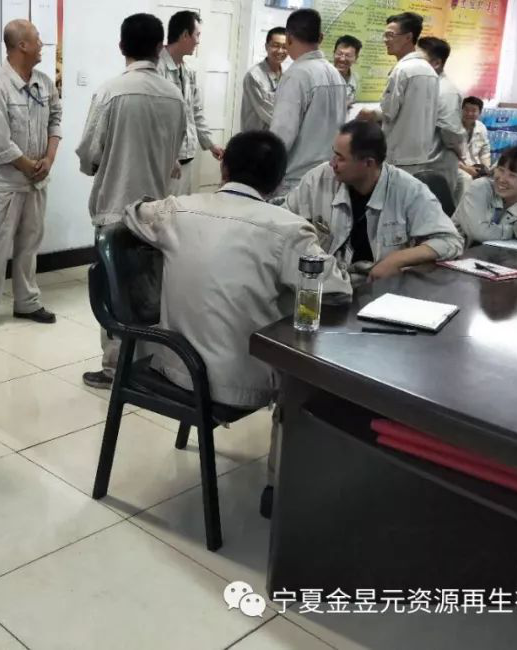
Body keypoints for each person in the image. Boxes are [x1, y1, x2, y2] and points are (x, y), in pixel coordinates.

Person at [124, 130, 351, 521]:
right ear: (278, 182)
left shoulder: (177, 210)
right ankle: (279, 486)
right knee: (307, 363)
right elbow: (337, 290)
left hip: (178, 368)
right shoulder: (289, 229)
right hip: (247, 382)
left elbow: (133, 213)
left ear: (224, 167)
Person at [76, 13, 186, 389]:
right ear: (159, 48)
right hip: (158, 212)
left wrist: (99, 165)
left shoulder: (111, 92)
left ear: (122, 46)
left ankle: (115, 368)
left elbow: (89, 153)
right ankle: (149, 363)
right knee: (151, 290)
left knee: (115, 293)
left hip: (116, 210)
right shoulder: (174, 96)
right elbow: (176, 154)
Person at [0, 19, 61, 338]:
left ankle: (27, 302)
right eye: (37, 39)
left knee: (30, 243)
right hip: (5, 182)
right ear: (22, 45)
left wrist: (49, 158)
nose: (42, 44)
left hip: (36, 180)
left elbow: (56, 119)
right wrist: (29, 165)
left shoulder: (45, 83)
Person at [285, 120, 463, 281]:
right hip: (324, 283)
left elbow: (450, 241)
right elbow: (283, 222)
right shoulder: (318, 179)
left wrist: (396, 260)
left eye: (341, 158)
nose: (332, 163)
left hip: (376, 287)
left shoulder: (408, 190)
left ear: (368, 163)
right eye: (334, 154)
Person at [268, 8, 348, 193]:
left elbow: (282, 134)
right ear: (320, 38)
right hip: (331, 175)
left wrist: (265, 175)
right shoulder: (336, 75)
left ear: (289, 38)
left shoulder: (296, 75)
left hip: (297, 181)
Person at [360, 12, 441, 176]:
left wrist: (370, 114)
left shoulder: (402, 70)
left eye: (390, 35)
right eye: (385, 35)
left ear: (408, 37)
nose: (385, 40)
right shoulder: (430, 70)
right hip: (421, 155)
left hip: (398, 156)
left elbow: (389, 111)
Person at [157, 10, 222, 194]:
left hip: (186, 157)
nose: (198, 41)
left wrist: (211, 144)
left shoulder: (187, 71)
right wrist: (168, 157)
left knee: (180, 207)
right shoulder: (157, 68)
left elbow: (195, 111)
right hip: (165, 161)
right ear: (185, 35)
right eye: (197, 35)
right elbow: (155, 119)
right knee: (161, 208)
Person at [453, 147, 517, 245]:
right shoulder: (480, 187)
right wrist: (515, 231)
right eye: (501, 170)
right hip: (460, 251)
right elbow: (479, 232)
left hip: (495, 253)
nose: (502, 179)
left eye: (512, 175)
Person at [416, 36, 466, 194]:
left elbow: (450, 132)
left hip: (436, 166)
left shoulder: (446, 91)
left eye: (419, 59)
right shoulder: (424, 84)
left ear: (436, 63)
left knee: (436, 206)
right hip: (420, 162)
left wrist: (459, 151)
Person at [239, 27, 287, 132]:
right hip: (256, 138)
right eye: (276, 45)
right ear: (266, 46)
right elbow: (269, 113)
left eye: (284, 47)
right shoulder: (254, 76)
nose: (280, 51)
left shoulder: (287, 76)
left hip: (278, 137)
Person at [457, 96, 492, 195]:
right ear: (461, 110)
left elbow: (485, 151)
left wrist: (486, 168)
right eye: (466, 110)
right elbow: (447, 155)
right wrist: (466, 168)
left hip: (475, 166)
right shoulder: (453, 127)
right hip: (457, 167)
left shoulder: (481, 127)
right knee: (466, 178)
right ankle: (463, 204)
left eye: (473, 111)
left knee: (490, 179)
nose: (469, 113)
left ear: (479, 113)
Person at [333, 34, 362, 108]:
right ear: (334, 53)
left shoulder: (356, 79)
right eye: (339, 54)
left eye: (348, 55)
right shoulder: (323, 77)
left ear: (356, 58)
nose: (342, 59)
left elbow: (353, 100)